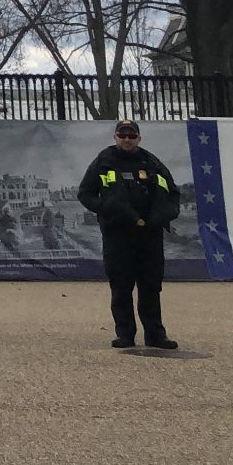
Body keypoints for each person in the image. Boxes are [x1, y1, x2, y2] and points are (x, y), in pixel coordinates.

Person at [76, 118, 181, 349]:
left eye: (131, 136)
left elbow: (173, 194)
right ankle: (125, 334)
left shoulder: (151, 162)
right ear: (115, 137)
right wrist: (106, 209)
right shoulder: (104, 162)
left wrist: (166, 214)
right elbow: (85, 194)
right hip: (118, 234)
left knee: (151, 286)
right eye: (122, 135)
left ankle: (155, 335)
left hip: (150, 234)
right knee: (121, 286)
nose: (127, 139)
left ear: (139, 138)